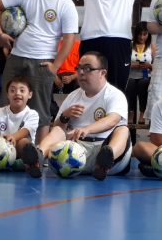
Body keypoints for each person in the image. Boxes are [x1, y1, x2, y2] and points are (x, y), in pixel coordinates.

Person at [0, 0, 79, 142]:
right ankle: (4, 150)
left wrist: (55, 66)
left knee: (40, 111)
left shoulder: (66, 4)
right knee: (6, 106)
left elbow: (69, 39)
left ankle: (39, 152)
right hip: (16, 58)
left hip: (42, 63)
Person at [19, 51, 131, 181]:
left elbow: (113, 120)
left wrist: (87, 129)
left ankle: (104, 163)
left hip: (105, 149)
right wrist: (64, 116)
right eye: (79, 68)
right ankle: (38, 157)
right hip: (75, 153)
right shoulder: (73, 96)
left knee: (123, 130)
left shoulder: (115, 95)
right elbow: (57, 128)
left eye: (87, 68)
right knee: (58, 130)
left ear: (102, 73)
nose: (81, 73)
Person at [0, 76, 39, 171]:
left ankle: (16, 163)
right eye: (12, 90)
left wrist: (14, 137)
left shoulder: (32, 114)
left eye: (22, 90)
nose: (17, 93)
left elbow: (26, 130)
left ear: (30, 94)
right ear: (7, 95)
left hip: (16, 147)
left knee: (24, 142)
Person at [125, 21, 154, 125]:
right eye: (140, 34)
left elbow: (156, 66)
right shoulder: (129, 45)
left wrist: (149, 66)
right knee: (130, 84)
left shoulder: (151, 47)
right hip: (131, 75)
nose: (142, 37)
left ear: (148, 35)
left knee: (144, 83)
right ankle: (131, 113)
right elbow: (123, 63)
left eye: (144, 34)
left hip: (145, 75)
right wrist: (131, 65)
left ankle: (142, 113)